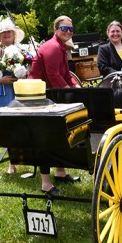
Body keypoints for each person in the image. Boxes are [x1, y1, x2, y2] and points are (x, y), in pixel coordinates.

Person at [28, 15, 81, 194]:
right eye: (64, 29)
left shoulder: (61, 48)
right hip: (39, 97)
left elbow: (65, 74)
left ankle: (60, 172)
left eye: (71, 29)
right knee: (46, 139)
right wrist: (69, 92)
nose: (68, 32)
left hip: (52, 95)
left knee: (60, 134)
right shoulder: (52, 47)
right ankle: (46, 183)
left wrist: (76, 87)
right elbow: (53, 76)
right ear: (56, 30)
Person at [0, 16, 28, 174]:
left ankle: (27, 156)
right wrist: (0, 80)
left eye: (9, 32)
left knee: (22, 126)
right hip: (1, 94)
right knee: (7, 128)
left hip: (20, 92)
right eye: (3, 33)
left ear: (14, 34)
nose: (7, 34)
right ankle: (12, 162)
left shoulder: (23, 51)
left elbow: (30, 70)